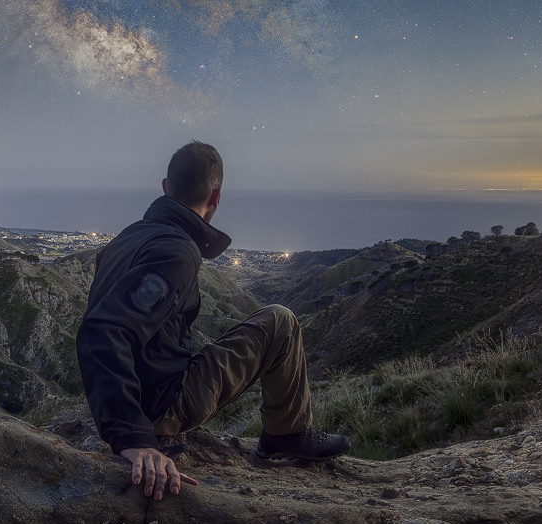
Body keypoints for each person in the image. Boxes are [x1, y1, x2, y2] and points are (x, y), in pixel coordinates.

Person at [76, 141, 349, 501]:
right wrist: (134, 437)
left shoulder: (126, 238)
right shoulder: (177, 250)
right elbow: (104, 330)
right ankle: (287, 433)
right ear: (216, 197)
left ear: (164, 187)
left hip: (129, 395)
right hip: (159, 406)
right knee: (279, 321)